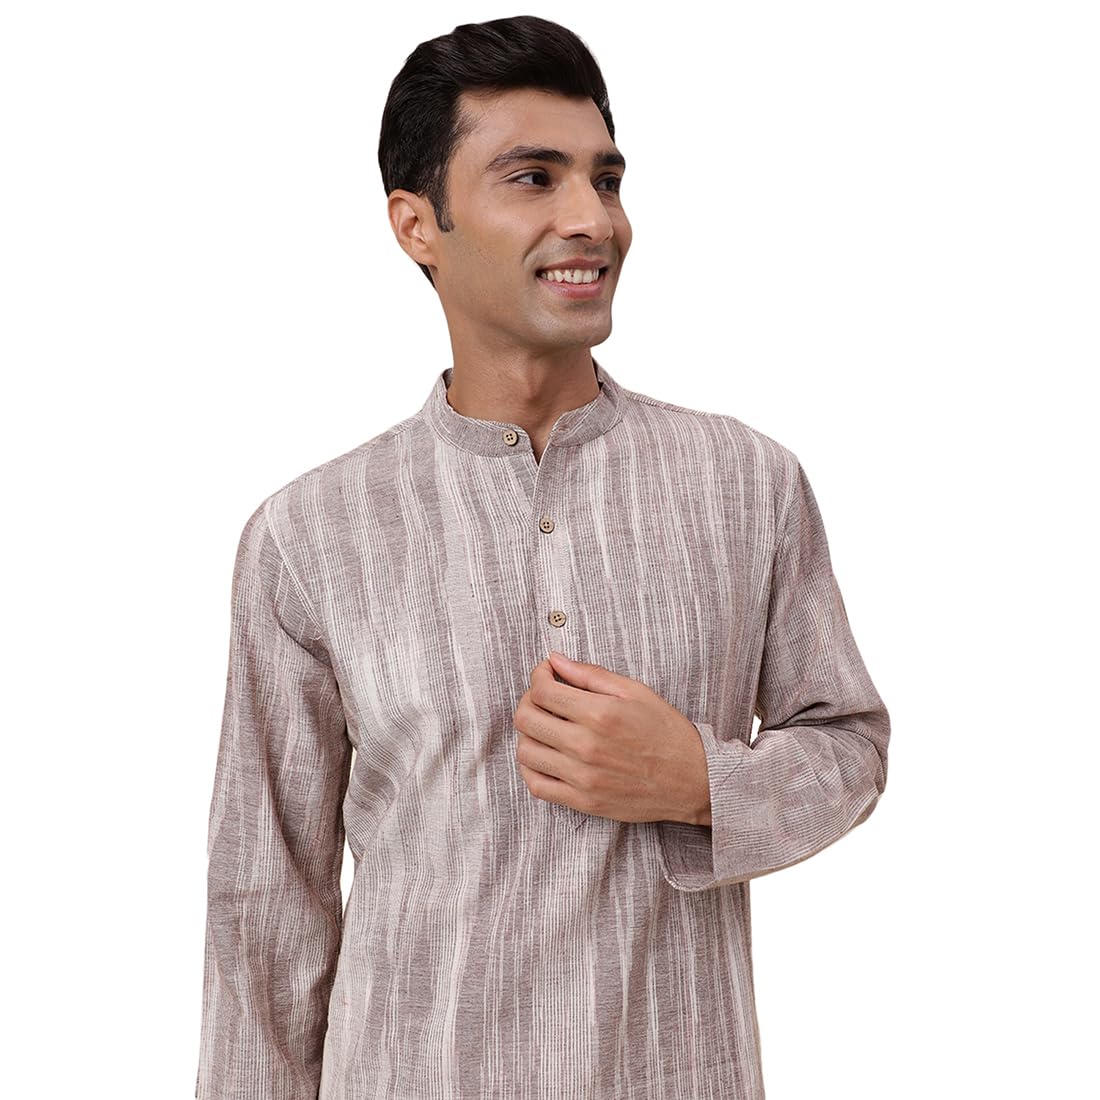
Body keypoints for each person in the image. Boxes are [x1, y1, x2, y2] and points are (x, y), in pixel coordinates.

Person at [194, 14, 890, 1100]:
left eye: (606, 180)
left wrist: (701, 780)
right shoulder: (312, 534)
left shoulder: (744, 482)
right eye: (533, 178)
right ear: (416, 224)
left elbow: (849, 745)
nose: (592, 219)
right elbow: (264, 911)